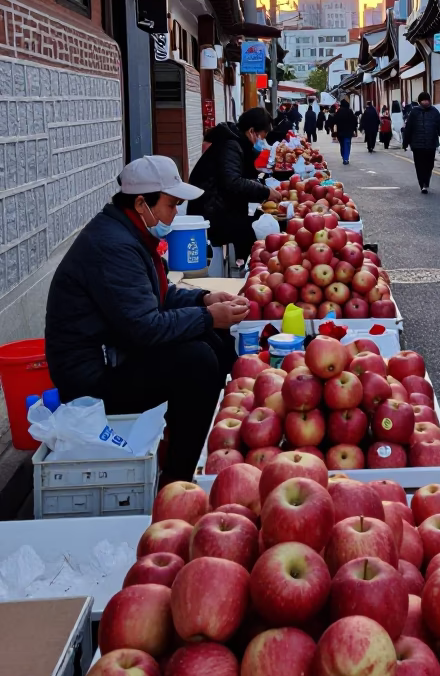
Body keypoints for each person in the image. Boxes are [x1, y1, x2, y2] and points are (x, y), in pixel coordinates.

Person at [45, 155, 250, 483]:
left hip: (118, 350)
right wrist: (207, 316)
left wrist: (203, 299)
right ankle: (179, 478)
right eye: (172, 205)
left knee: (212, 339)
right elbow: (144, 327)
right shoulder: (114, 246)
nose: (176, 213)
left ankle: (222, 437)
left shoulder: (131, 233)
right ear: (142, 204)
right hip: (93, 379)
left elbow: (158, 296)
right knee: (197, 360)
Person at [188, 107, 272, 264]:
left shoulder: (237, 143)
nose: (263, 142)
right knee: (249, 235)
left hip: (220, 205)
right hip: (211, 210)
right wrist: (265, 192)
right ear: (252, 131)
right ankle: (242, 268)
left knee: (251, 228)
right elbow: (233, 181)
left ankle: (240, 264)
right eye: (262, 137)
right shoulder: (231, 145)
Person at [402, 92, 440, 193]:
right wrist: (405, 142)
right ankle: (422, 184)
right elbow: (408, 128)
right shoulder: (414, 112)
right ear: (420, 101)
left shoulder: (434, 112)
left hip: (431, 143)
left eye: (427, 100)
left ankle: (426, 182)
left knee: (429, 165)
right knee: (419, 165)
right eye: (424, 100)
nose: (426, 102)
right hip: (417, 145)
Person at [335, 98, 358, 165]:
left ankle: (343, 156)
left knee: (342, 145)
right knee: (347, 145)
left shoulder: (339, 111)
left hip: (340, 132)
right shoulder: (350, 112)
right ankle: (346, 158)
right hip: (348, 132)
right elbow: (355, 121)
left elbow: (335, 120)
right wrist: (354, 130)